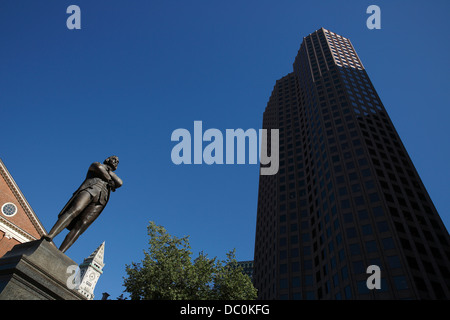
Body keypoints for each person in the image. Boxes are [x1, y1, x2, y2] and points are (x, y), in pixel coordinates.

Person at [43, 156, 123, 253]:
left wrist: (110, 172)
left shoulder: (110, 173)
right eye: (114, 159)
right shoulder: (96, 164)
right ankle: (51, 235)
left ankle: (61, 252)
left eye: (117, 162)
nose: (116, 162)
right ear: (107, 160)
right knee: (75, 210)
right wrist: (110, 180)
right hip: (90, 190)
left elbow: (119, 182)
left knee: (82, 225)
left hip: (101, 200)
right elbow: (100, 169)